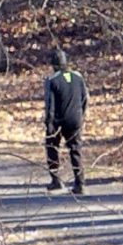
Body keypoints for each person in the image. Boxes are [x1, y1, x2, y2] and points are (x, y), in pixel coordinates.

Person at [43, 47, 87, 194]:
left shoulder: (51, 80)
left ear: (54, 65)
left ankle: (56, 180)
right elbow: (84, 98)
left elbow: (50, 104)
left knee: (52, 146)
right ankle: (80, 182)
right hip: (76, 118)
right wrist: (81, 116)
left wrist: (49, 124)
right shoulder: (78, 77)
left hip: (58, 120)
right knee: (75, 149)